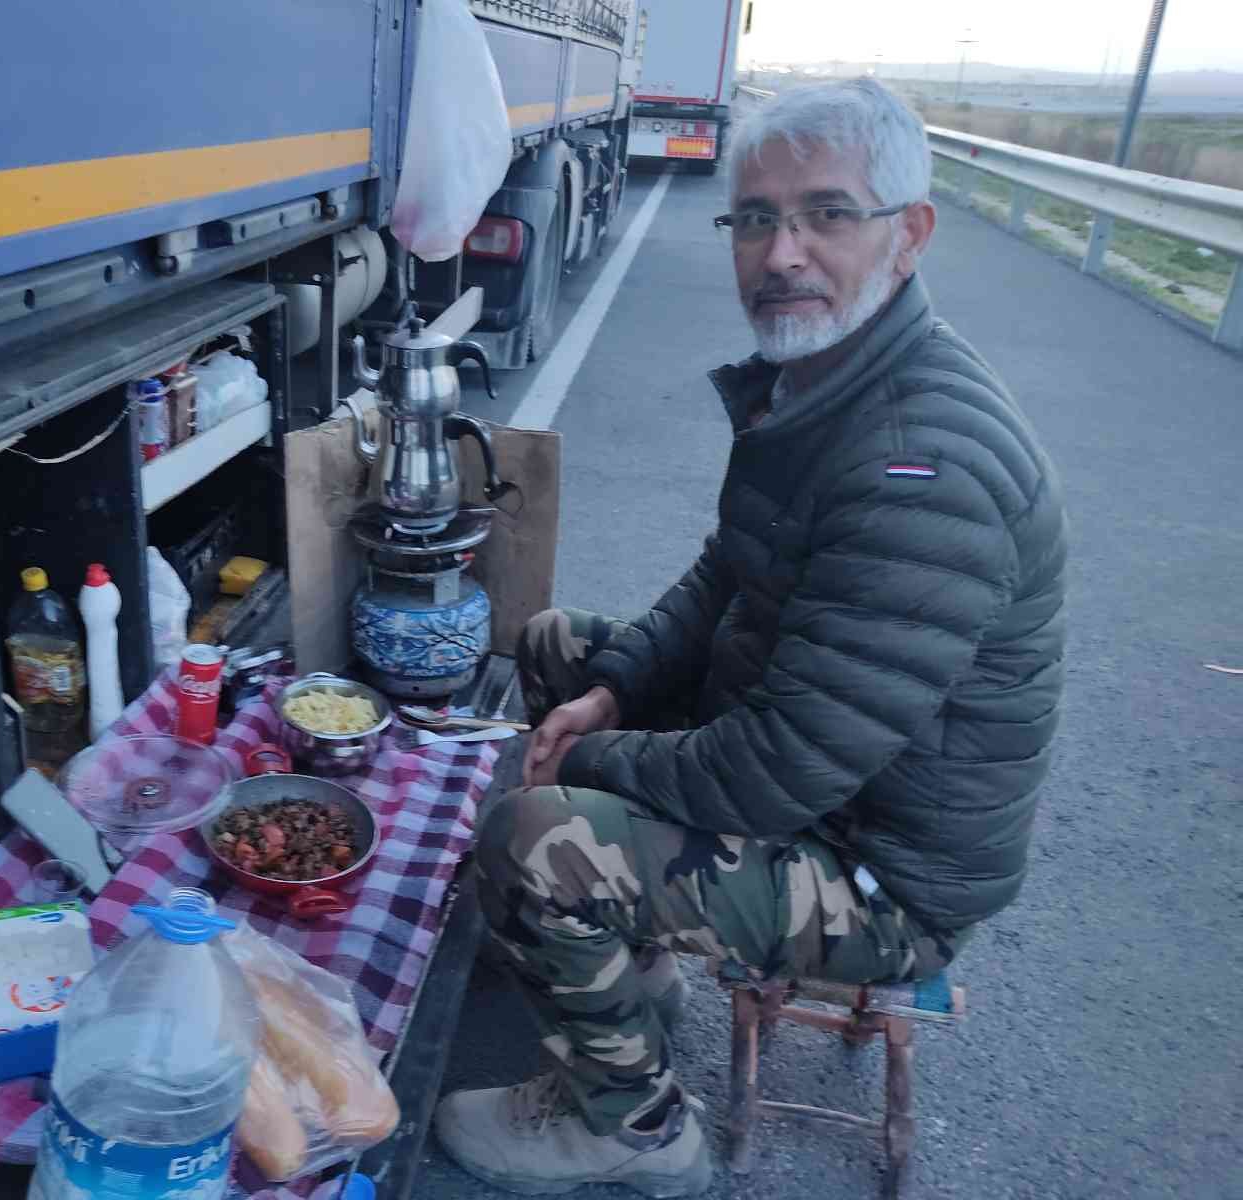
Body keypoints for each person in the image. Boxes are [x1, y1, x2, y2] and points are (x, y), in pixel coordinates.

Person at [433, 78, 1067, 1195]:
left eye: (827, 214)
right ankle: (625, 959)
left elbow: (779, 770)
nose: (782, 253)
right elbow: (726, 571)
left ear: (907, 235)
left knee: (536, 838)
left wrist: (577, 761)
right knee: (553, 645)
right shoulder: (823, 379)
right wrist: (613, 691)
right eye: (758, 218)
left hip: (879, 871)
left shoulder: (920, 466)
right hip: (816, 772)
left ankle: (627, 1127)